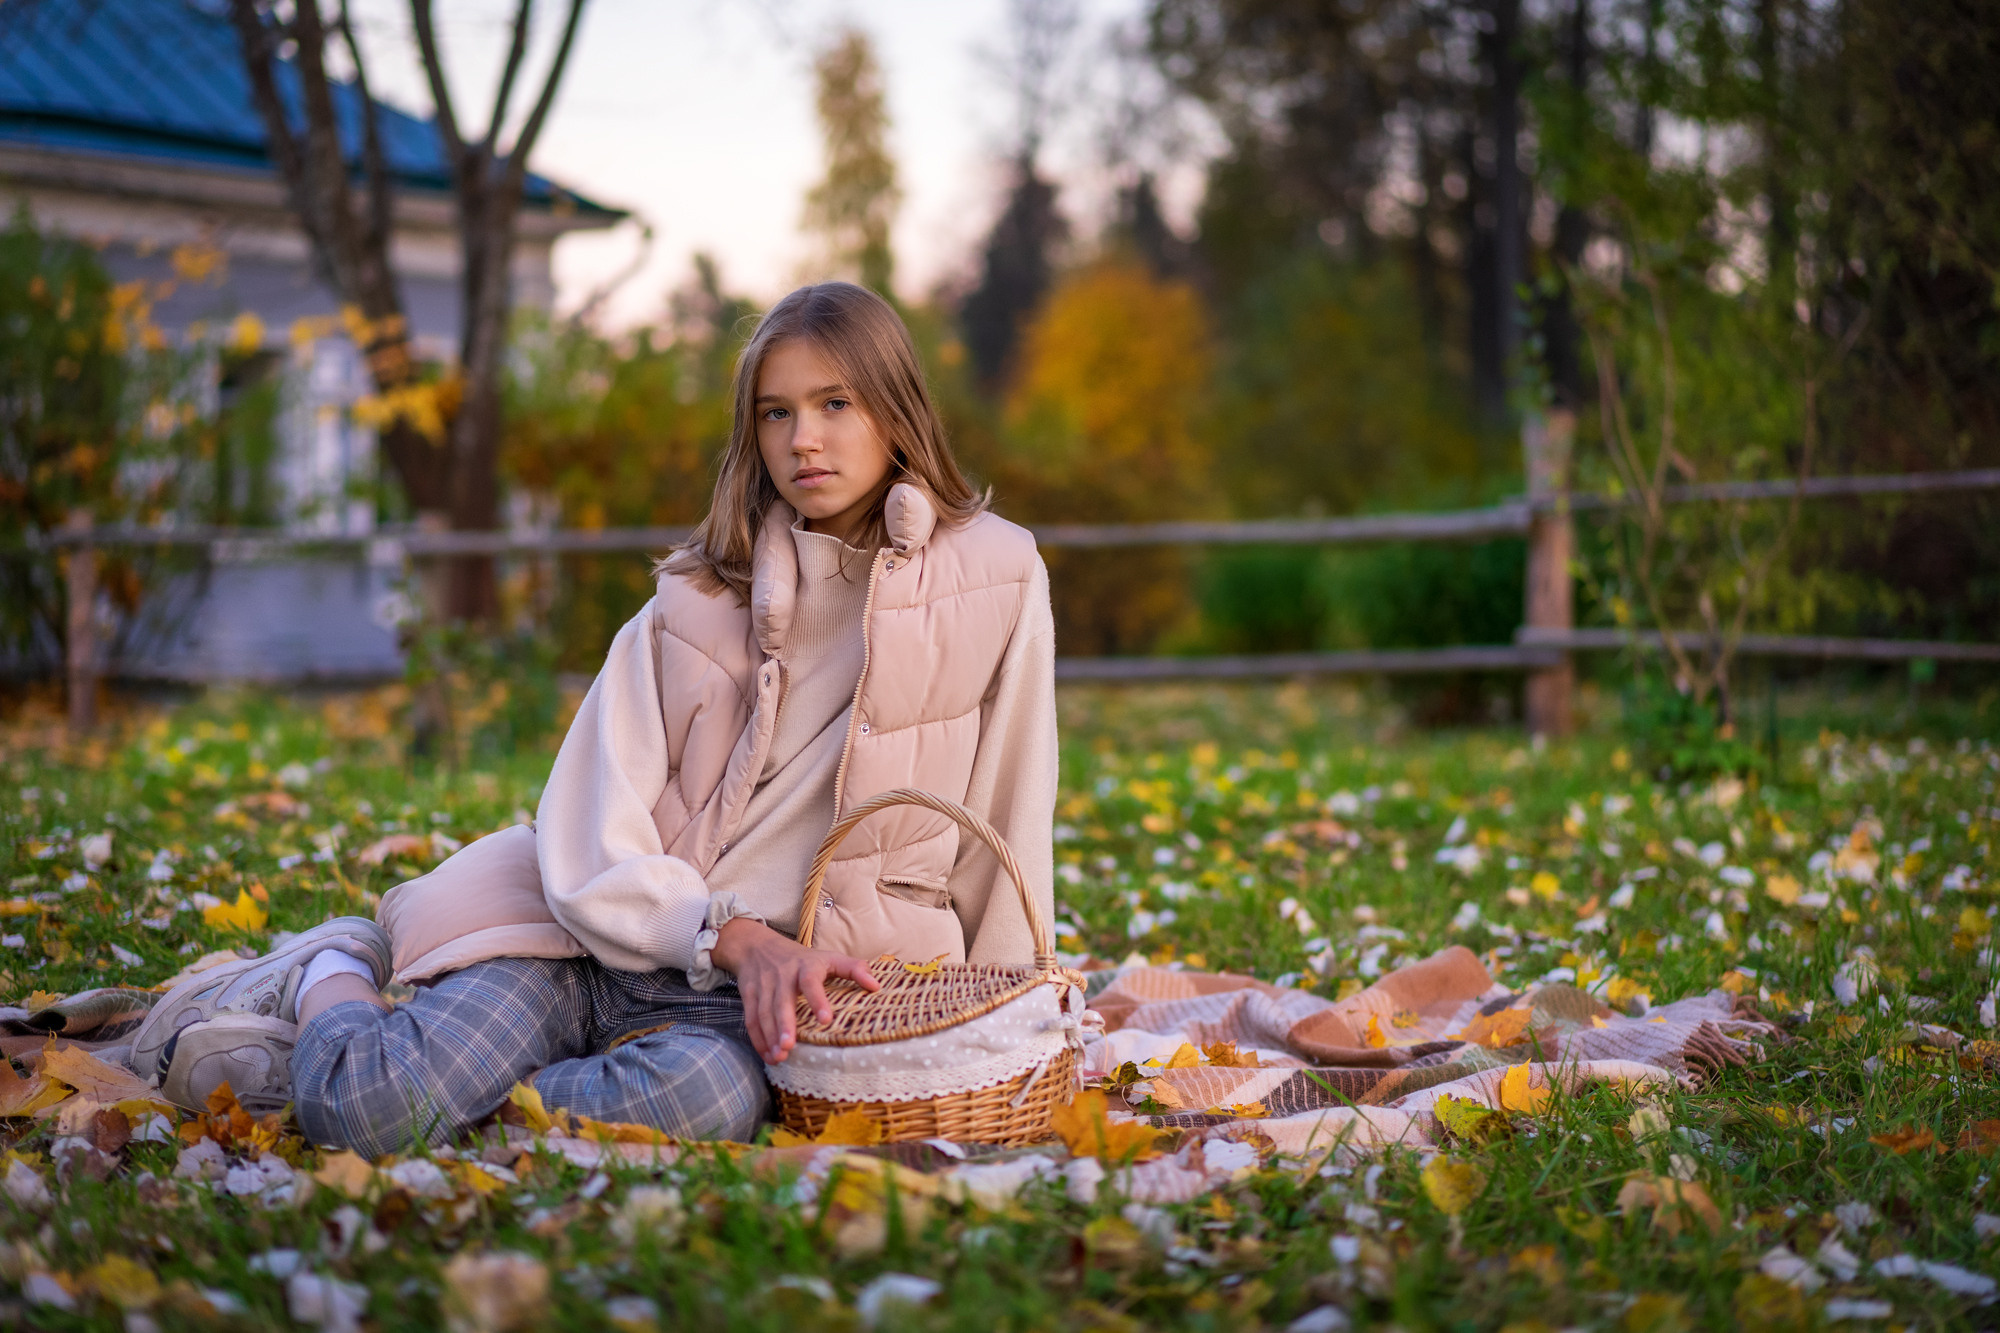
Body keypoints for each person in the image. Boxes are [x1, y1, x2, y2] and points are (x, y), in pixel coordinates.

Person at [129, 282, 1058, 1153]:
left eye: (834, 404)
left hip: (744, 1007)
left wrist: (1011, 1026)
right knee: (365, 1111)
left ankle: (465, 1081)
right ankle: (331, 967)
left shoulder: (999, 577)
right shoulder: (689, 602)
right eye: (776, 412)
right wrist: (727, 932)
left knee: (710, 1103)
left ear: (897, 409)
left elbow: (1009, 817)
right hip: (576, 939)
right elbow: (588, 825)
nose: (802, 439)